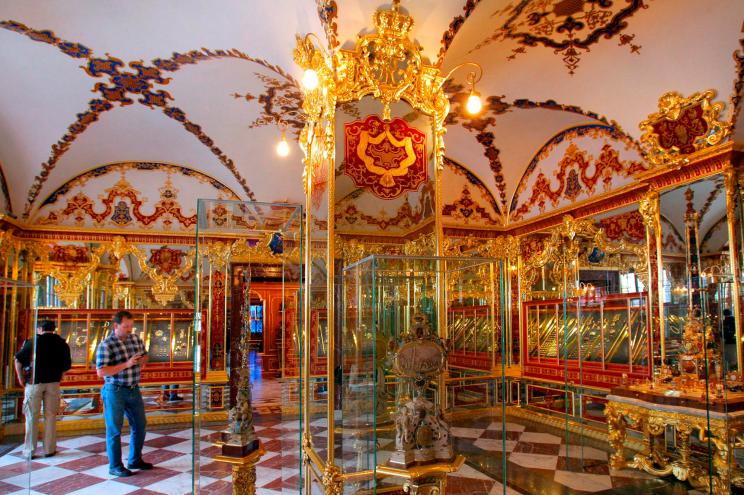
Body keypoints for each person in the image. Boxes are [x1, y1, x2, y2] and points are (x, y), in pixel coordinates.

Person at [96, 311, 153, 477]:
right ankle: (115, 465)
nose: (129, 329)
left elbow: (145, 356)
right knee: (114, 429)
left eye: (131, 326)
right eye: (125, 326)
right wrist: (127, 364)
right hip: (115, 391)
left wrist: (142, 360)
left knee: (140, 425)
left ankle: (135, 459)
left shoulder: (135, 339)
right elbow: (101, 371)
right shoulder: (106, 345)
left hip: (133, 389)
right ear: (116, 326)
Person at [14, 319, 72, 459]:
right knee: (51, 416)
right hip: (53, 383)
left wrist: (21, 378)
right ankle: (49, 449)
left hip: (35, 383)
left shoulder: (33, 342)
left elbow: (18, 359)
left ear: (40, 329)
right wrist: (59, 376)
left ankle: (29, 451)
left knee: (31, 417)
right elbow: (66, 365)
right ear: (54, 329)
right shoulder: (62, 343)